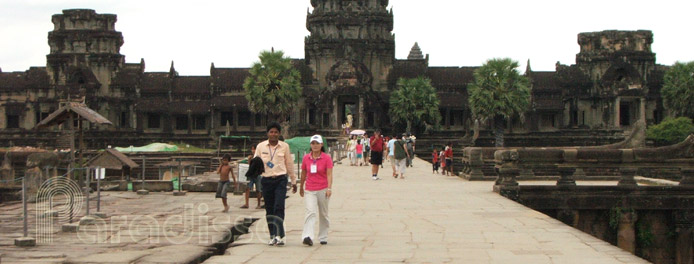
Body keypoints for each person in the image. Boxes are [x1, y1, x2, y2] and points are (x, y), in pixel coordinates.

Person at [255, 122, 297, 246]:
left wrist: (293, 181)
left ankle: (279, 235)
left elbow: (289, 163)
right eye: (271, 132)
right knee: (269, 209)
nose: (273, 134)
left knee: (279, 206)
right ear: (267, 133)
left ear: (279, 133)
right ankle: (272, 235)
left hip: (280, 179)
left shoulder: (284, 147)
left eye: (276, 132)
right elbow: (256, 164)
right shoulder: (260, 147)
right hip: (266, 180)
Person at [300, 135, 333, 246]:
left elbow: (329, 174)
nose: (315, 145)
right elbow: (304, 173)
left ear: (321, 145)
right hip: (310, 188)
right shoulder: (306, 158)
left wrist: (329, 188)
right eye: (313, 143)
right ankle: (307, 236)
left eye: (317, 143)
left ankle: (323, 236)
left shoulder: (326, 158)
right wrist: (301, 186)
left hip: (323, 188)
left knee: (323, 214)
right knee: (310, 212)